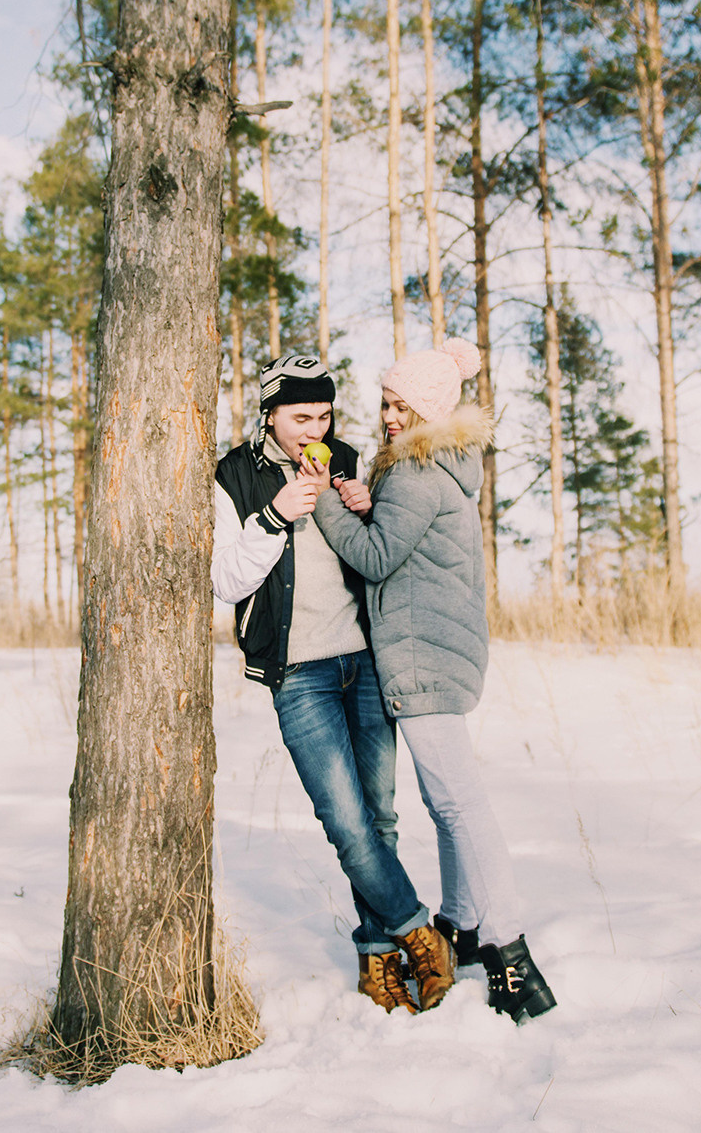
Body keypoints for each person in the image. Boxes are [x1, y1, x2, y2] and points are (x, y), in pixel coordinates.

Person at [312, 337, 559, 1023]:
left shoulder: (418, 473)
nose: (389, 416)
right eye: (386, 403)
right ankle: (459, 923)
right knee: (448, 801)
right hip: (440, 651)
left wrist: (327, 503)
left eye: (402, 405)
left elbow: (378, 554)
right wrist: (365, 500)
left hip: (423, 656)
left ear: (429, 410)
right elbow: (401, 538)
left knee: (460, 805)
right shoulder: (437, 465)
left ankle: (512, 956)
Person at [212, 353, 454, 1014]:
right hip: (299, 673)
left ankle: (378, 959)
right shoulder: (234, 475)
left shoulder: (348, 456)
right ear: (270, 414)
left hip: (367, 662)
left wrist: (364, 506)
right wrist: (274, 516)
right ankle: (420, 934)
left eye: (322, 415)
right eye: (299, 417)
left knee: (380, 817)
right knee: (346, 822)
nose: (312, 429)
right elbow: (225, 580)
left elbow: (380, 554)